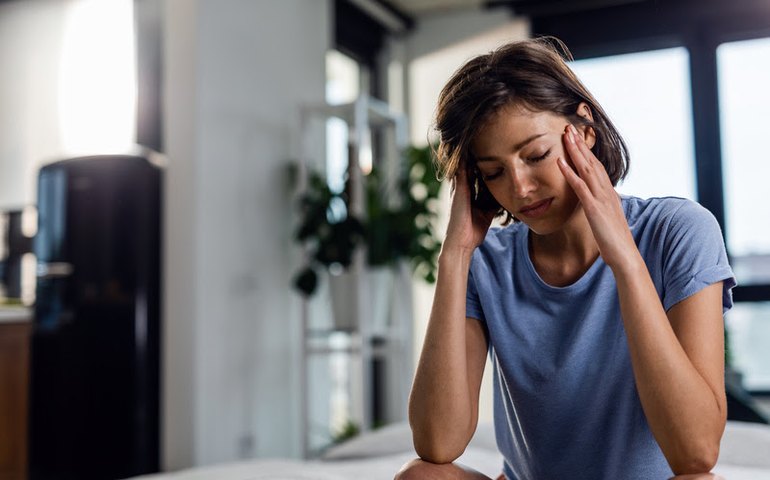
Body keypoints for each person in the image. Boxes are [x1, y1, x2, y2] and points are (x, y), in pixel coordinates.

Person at [395, 37, 736, 480]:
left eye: (536, 155)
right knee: (420, 476)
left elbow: (696, 453)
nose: (519, 188)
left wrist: (625, 261)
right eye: (494, 172)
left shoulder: (679, 230)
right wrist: (455, 258)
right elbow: (438, 442)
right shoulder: (487, 261)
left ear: (584, 131)